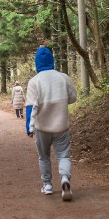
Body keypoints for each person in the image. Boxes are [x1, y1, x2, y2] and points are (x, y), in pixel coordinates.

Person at [25, 45, 78, 201]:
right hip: (61, 125)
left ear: (37, 63)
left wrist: (29, 127)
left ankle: (47, 185)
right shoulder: (63, 77)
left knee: (44, 157)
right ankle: (65, 179)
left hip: (42, 127)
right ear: (52, 61)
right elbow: (73, 98)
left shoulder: (34, 81)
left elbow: (29, 107)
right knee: (63, 155)